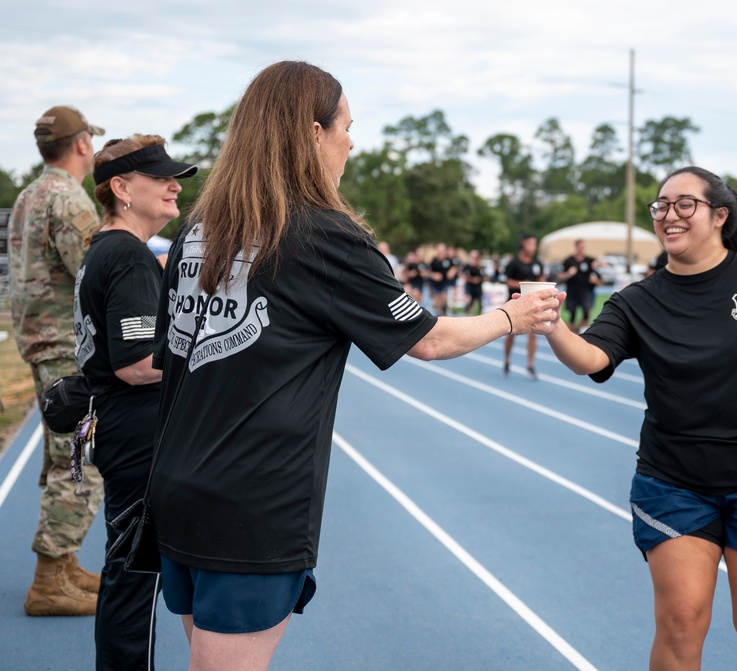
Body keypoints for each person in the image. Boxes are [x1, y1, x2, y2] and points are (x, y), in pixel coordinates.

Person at [146, 60, 558, 671]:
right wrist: (511, 317)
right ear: (313, 135)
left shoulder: (200, 230)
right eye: (346, 127)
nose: (352, 143)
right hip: (250, 502)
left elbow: (171, 354)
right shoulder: (321, 234)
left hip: (178, 485)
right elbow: (429, 339)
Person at [544, 166, 737, 671]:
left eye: (685, 204)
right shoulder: (638, 300)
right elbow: (591, 358)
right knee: (681, 623)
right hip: (675, 482)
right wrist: (551, 324)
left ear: (720, 215)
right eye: (661, 205)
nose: (669, 215)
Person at [76, 134, 197, 669]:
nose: (175, 185)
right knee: (134, 578)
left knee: (131, 574)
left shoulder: (109, 248)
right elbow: (136, 362)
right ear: (122, 189)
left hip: (120, 428)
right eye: (161, 178)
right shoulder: (126, 255)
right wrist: (211, 359)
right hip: (136, 435)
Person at [9, 105, 106, 617]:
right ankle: (48, 581)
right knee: (82, 464)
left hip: (39, 342)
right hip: (66, 347)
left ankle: (63, 565)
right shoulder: (68, 200)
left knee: (60, 457)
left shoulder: (29, 193)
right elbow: (92, 274)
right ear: (83, 145)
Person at [502, 233, 546, 380]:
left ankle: (530, 365)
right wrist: (524, 284)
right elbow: (507, 281)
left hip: (532, 305)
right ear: (523, 245)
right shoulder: (514, 263)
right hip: (515, 304)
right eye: (530, 244)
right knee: (512, 334)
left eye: (535, 244)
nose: (533, 247)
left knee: (534, 333)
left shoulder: (537, 263)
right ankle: (507, 360)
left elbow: (541, 280)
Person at [556, 239, 603, 333]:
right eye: (580, 246)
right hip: (572, 292)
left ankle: (582, 335)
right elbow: (559, 276)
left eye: (583, 247)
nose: (582, 249)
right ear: (576, 247)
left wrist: (596, 273)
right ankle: (570, 336)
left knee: (586, 313)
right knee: (572, 315)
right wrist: (569, 273)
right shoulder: (569, 261)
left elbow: (600, 281)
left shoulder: (590, 261)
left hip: (586, 292)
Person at [428, 242, 457, 315]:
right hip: (436, 285)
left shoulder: (448, 260)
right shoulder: (433, 261)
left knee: (444, 298)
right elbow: (427, 272)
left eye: (443, 251)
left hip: (445, 285)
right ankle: (438, 315)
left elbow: (455, 267)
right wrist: (434, 275)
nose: (441, 253)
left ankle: (444, 312)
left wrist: (452, 271)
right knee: (437, 302)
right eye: (439, 251)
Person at [463, 249, 485, 315]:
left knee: (478, 306)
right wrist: (473, 280)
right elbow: (465, 277)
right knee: (470, 305)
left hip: (478, 290)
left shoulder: (480, 267)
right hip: (470, 289)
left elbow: (482, 277)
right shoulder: (468, 267)